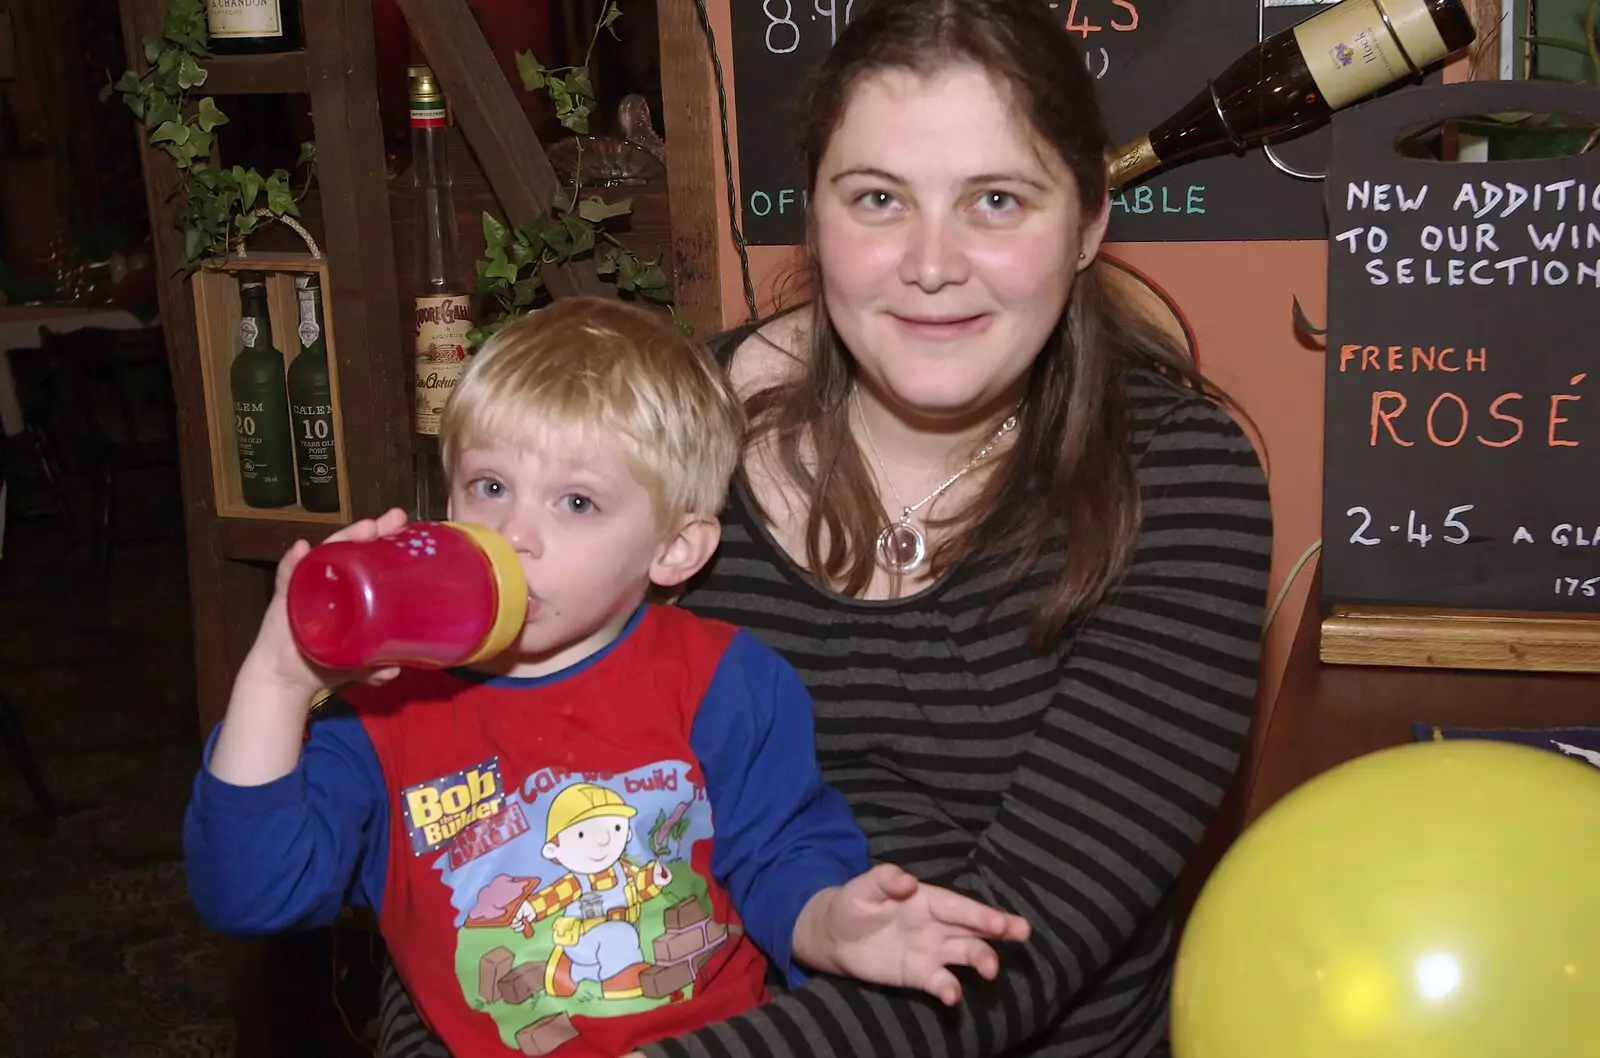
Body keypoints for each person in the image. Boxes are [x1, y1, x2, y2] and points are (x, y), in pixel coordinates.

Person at [382, 0, 1274, 1051]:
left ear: (1086, 224)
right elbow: (462, 808)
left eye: (996, 199)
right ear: (813, 212)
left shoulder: (1177, 478)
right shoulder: (650, 457)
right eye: (877, 198)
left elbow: (1010, 949)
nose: (930, 261)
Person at [181, 297, 1033, 1058]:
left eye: (576, 502)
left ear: (674, 551)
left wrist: (826, 926)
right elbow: (251, 895)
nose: (515, 535)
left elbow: (779, 858)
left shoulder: (725, 681)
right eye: (489, 485)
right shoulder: (384, 712)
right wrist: (281, 682)